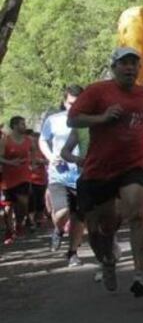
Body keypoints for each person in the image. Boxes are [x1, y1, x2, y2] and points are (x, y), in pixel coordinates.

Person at [68, 47, 143, 297]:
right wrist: (102, 118)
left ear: (139, 68)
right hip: (100, 169)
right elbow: (73, 119)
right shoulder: (98, 91)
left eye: (134, 64)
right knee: (101, 227)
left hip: (133, 165)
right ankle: (106, 260)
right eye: (123, 63)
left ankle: (139, 274)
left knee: (137, 215)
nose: (129, 68)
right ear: (114, 67)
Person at [38, 86, 86, 265]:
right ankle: (58, 230)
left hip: (82, 174)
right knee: (63, 211)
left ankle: (72, 253)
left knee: (79, 215)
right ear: (64, 102)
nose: (73, 107)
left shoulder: (89, 120)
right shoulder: (53, 120)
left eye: (77, 103)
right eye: (70, 103)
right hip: (59, 174)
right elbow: (42, 139)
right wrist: (51, 157)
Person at [0, 116, 36, 244]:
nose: (24, 126)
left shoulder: (29, 140)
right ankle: (9, 231)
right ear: (14, 125)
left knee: (23, 202)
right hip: (8, 178)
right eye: (22, 124)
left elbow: (33, 153)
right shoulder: (6, 140)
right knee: (8, 207)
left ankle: (19, 223)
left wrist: (34, 162)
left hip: (24, 175)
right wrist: (11, 162)